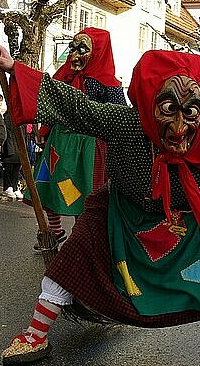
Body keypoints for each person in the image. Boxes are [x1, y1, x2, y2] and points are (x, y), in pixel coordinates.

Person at [0, 47, 200, 366]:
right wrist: (17, 71)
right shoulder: (126, 124)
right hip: (117, 209)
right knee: (73, 257)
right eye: (168, 109)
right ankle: (36, 333)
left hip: (180, 218)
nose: (179, 127)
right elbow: (79, 107)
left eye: (189, 112)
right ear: (151, 104)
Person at [25, 27, 126, 247]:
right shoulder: (64, 76)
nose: (75, 54)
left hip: (89, 147)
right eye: (73, 47)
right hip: (59, 143)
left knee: (84, 195)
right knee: (51, 188)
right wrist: (45, 130)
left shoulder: (109, 83)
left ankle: (80, 238)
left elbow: (120, 117)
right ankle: (55, 230)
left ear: (98, 51)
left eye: (83, 48)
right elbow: (54, 106)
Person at [1, 110, 23, 200]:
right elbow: (8, 133)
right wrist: (9, 148)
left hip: (19, 146)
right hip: (11, 146)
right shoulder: (9, 116)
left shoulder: (20, 116)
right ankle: (7, 187)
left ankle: (14, 187)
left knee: (17, 168)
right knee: (9, 167)